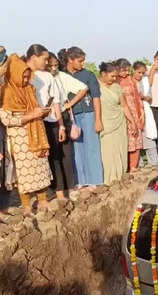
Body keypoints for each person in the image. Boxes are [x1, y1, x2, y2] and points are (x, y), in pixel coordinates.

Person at [0, 54, 52, 215]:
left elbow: (34, 109)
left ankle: (43, 201)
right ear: (14, 74)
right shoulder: (5, 92)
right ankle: (27, 206)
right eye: (22, 77)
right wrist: (31, 116)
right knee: (23, 173)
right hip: (18, 138)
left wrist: (40, 113)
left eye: (27, 77)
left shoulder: (29, 89)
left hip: (35, 132)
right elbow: (6, 119)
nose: (25, 80)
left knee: (40, 166)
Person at [26, 45, 70, 202]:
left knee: (55, 158)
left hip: (50, 121)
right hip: (31, 123)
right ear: (34, 57)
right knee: (36, 160)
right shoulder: (25, 76)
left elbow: (56, 102)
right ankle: (38, 196)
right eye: (44, 59)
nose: (47, 62)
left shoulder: (48, 77)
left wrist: (61, 125)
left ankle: (59, 193)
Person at [60, 46, 104, 189]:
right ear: (70, 60)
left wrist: (98, 119)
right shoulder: (61, 75)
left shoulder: (88, 75)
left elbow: (96, 97)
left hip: (88, 113)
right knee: (76, 149)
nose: (82, 64)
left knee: (92, 147)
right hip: (71, 117)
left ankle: (95, 180)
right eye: (80, 61)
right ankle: (81, 180)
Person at [47, 53, 88, 201]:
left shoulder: (61, 76)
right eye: (50, 65)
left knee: (67, 155)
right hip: (46, 120)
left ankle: (70, 188)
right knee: (54, 157)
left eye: (55, 65)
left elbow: (83, 88)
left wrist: (69, 104)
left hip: (62, 117)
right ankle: (58, 191)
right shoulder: (39, 78)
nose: (53, 68)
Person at [98, 62, 136, 185]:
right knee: (107, 152)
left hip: (119, 123)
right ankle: (108, 180)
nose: (114, 79)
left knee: (120, 150)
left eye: (116, 76)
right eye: (112, 76)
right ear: (103, 74)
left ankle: (120, 177)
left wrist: (133, 122)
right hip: (105, 124)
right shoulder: (95, 87)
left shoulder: (117, 87)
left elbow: (124, 106)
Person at [117, 59, 144, 172]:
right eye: (124, 70)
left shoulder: (131, 80)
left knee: (136, 138)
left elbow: (137, 97)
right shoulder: (115, 81)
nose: (126, 73)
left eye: (128, 71)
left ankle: (134, 166)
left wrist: (141, 113)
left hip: (134, 112)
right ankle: (125, 167)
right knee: (126, 140)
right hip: (122, 113)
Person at [133, 61, 158, 167]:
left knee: (148, 136)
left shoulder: (144, 82)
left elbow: (149, 97)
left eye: (143, 73)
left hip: (144, 111)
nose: (141, 75)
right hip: (134, 113)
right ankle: (138, 163)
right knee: (136, 139)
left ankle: (153, 161)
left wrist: (143, 97)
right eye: (139, 72)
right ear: (133, 70)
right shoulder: (129, 82)